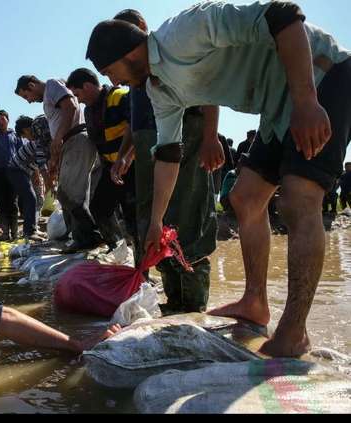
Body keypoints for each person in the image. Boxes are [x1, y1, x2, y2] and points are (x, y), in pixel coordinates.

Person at [86, 1, 351, 357]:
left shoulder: (185, 31)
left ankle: (295, 331)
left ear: (128, 51)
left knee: (298, 198)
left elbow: (284, 15)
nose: (112, 81)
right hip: (275, 107)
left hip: (322, 77)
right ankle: (255, 302)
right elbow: (168, 154)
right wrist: (156, 222)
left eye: (109, 71)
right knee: (244, 198)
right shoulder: (158, 90)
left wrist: (306, 100)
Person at [109, 9, 218, 314]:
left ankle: (193, 305)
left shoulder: (170, 54)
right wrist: (124, 156)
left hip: (186, 134)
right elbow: (135, 124)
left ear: (143, 29)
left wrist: (211, 137)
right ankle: (175, 298)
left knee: (187, 217)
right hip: (150, 146)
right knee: (153, 220)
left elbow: (209, 88)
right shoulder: (135, 75)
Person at [15, 75, 103, 252]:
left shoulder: (52, 86)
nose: (29, 101)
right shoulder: (50, 94)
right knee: (66, 193)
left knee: (70, 193)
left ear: (31, 85)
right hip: (70, 144)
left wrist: (59, 138)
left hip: (76, 139)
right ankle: (80, 236)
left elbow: (70, 107)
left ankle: (90, 236)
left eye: (27, 96)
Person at [66, 67, 138, 251]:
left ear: (88, 86)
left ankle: (142, 268)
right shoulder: (89, 111)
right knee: (99, 207)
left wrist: (124, 157)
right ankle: (118, 249)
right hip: (112, 168)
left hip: (133, 165)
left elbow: (137, 125)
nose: (78, 99)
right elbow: (98, 142)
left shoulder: (119, 96)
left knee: (134, 217)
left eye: (78, 93)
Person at [0, 110, 26, 241]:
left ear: (8, 119)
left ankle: (14, 232)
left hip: (13, 171)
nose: (0, 122)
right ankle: (5, 232)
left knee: (13, 202)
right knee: (1, 203)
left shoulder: (15, 135)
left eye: (2, 119)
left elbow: (22, 152)